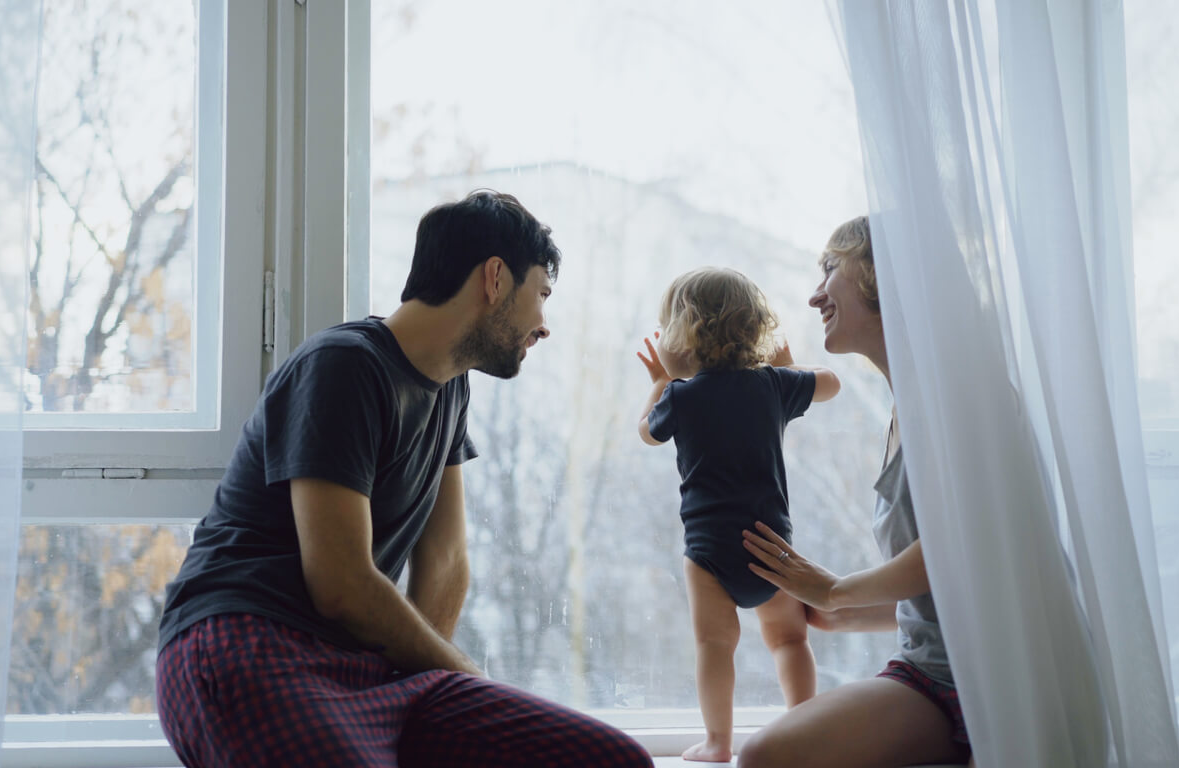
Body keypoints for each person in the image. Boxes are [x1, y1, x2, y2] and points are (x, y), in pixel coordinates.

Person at [155, 190, 652, 768]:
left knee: (610, 759)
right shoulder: (343, 366)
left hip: (365, 669)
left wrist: (444, 689)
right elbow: (340, 584)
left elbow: (445, 564)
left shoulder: (451, 391)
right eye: (541, 294)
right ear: (495, 278)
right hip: (245, 643)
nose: (544, 326)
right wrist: (462, 671)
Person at [735, 216, 974, 768]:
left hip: (984, 679)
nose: (816, 294)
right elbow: (940, 598)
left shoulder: (957, 399)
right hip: (932, 678)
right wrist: (829, 613)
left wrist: (835, 590)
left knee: (766, 757)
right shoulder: (907, 410)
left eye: (829, 269)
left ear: (878, 274)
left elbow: (951, 553)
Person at [635, 267, 841, 763]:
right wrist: (790, 367)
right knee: (790, 639)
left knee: (713, 644)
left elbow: (646, 432)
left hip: (709, 552)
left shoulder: (681, 397)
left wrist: (661, 382)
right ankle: (803, 728)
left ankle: (718, 743)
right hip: (773, 547)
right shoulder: (772, 386)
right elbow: (831, 384)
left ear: (685, 336)